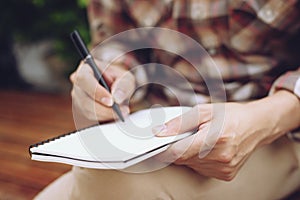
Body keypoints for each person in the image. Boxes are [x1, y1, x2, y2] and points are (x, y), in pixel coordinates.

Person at [35, 0, 300, 199]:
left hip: (277, 125)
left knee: (112, 182)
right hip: (160, 121)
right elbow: (118, 39)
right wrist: (112, 75)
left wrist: (269, 116)